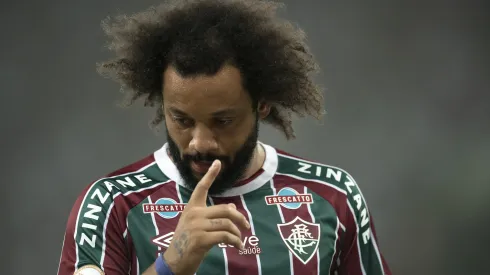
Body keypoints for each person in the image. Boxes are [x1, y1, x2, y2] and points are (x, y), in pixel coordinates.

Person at [58, 0, 391, 274]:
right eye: (182, 119)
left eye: (223, 121)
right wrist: (170, 264)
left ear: (261, 104)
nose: (200, 142)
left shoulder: (333, 196)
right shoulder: (113, 204)